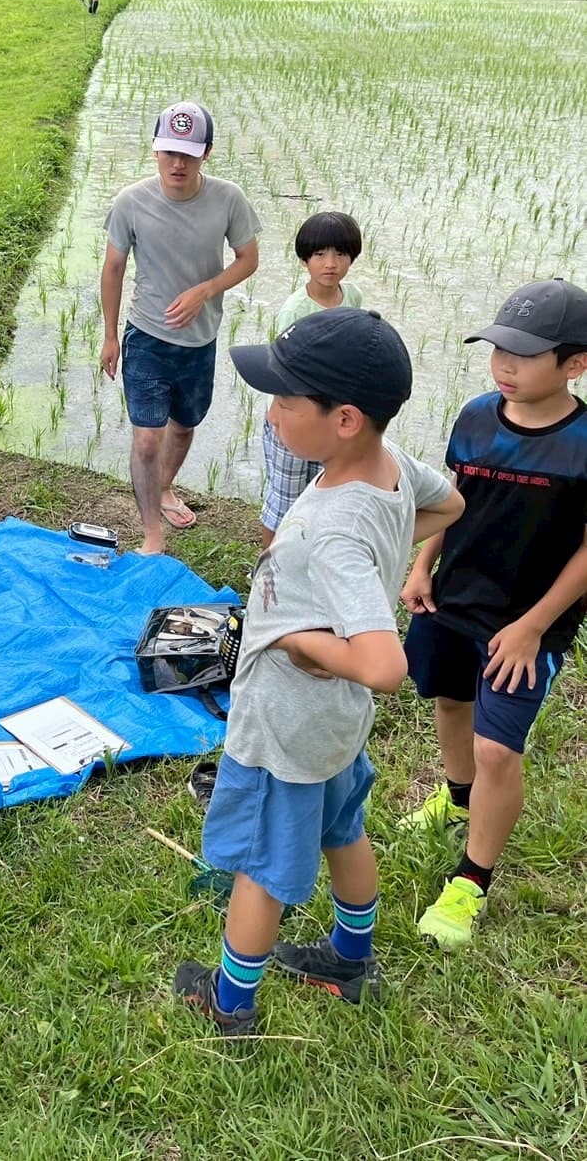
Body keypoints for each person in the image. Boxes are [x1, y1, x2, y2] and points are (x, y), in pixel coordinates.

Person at [174, 308, 463, 1035]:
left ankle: (230, 1003)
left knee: (260, 866)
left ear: (344, 419)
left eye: (283, 400)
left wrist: (307, 646)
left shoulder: (331, 527)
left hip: (289, 725)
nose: (270, 413)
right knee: (343, 828)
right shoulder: (387, 467)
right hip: (333, 728)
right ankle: (349, 958)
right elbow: (451, 502)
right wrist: (385, 552)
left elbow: (383, 664)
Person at [401, 279, 587, 951]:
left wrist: (536, 624)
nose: (504, 365)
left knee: (498, 748)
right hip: (455, 598)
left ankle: (471, 880)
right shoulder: (477, 416)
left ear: (575, 363)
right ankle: (455, 796)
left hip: (529, 620)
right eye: (498, 348)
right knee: (449, 701)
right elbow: (455, 499)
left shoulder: (583, 441)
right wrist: (423, 565)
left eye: (524, 354)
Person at [100, 101, 260, 554]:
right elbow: (113, 269)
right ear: (154, 150)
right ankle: (153, 533)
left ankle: (165, 486)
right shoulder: (131, 201)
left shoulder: (228, 199)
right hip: (146, 334)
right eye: (169, 152)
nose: (177, 163)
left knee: (185, 427)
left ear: (206, 153)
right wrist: (111, 335)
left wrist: (205, 290)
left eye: (188, 154)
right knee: (147, 439)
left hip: (200, 339)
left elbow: (249, 259)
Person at [261, 212, 364, 547]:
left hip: (327, 417)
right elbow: (280, 371)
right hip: (291, 417)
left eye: (340, 254)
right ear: (305, 259)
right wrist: (280, 416)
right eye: (320, 254)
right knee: (284, 499)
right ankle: (266, 572)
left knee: (318, 494)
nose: (331, 264)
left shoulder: (353, 298)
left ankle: (301, 561)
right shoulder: (295, 310)